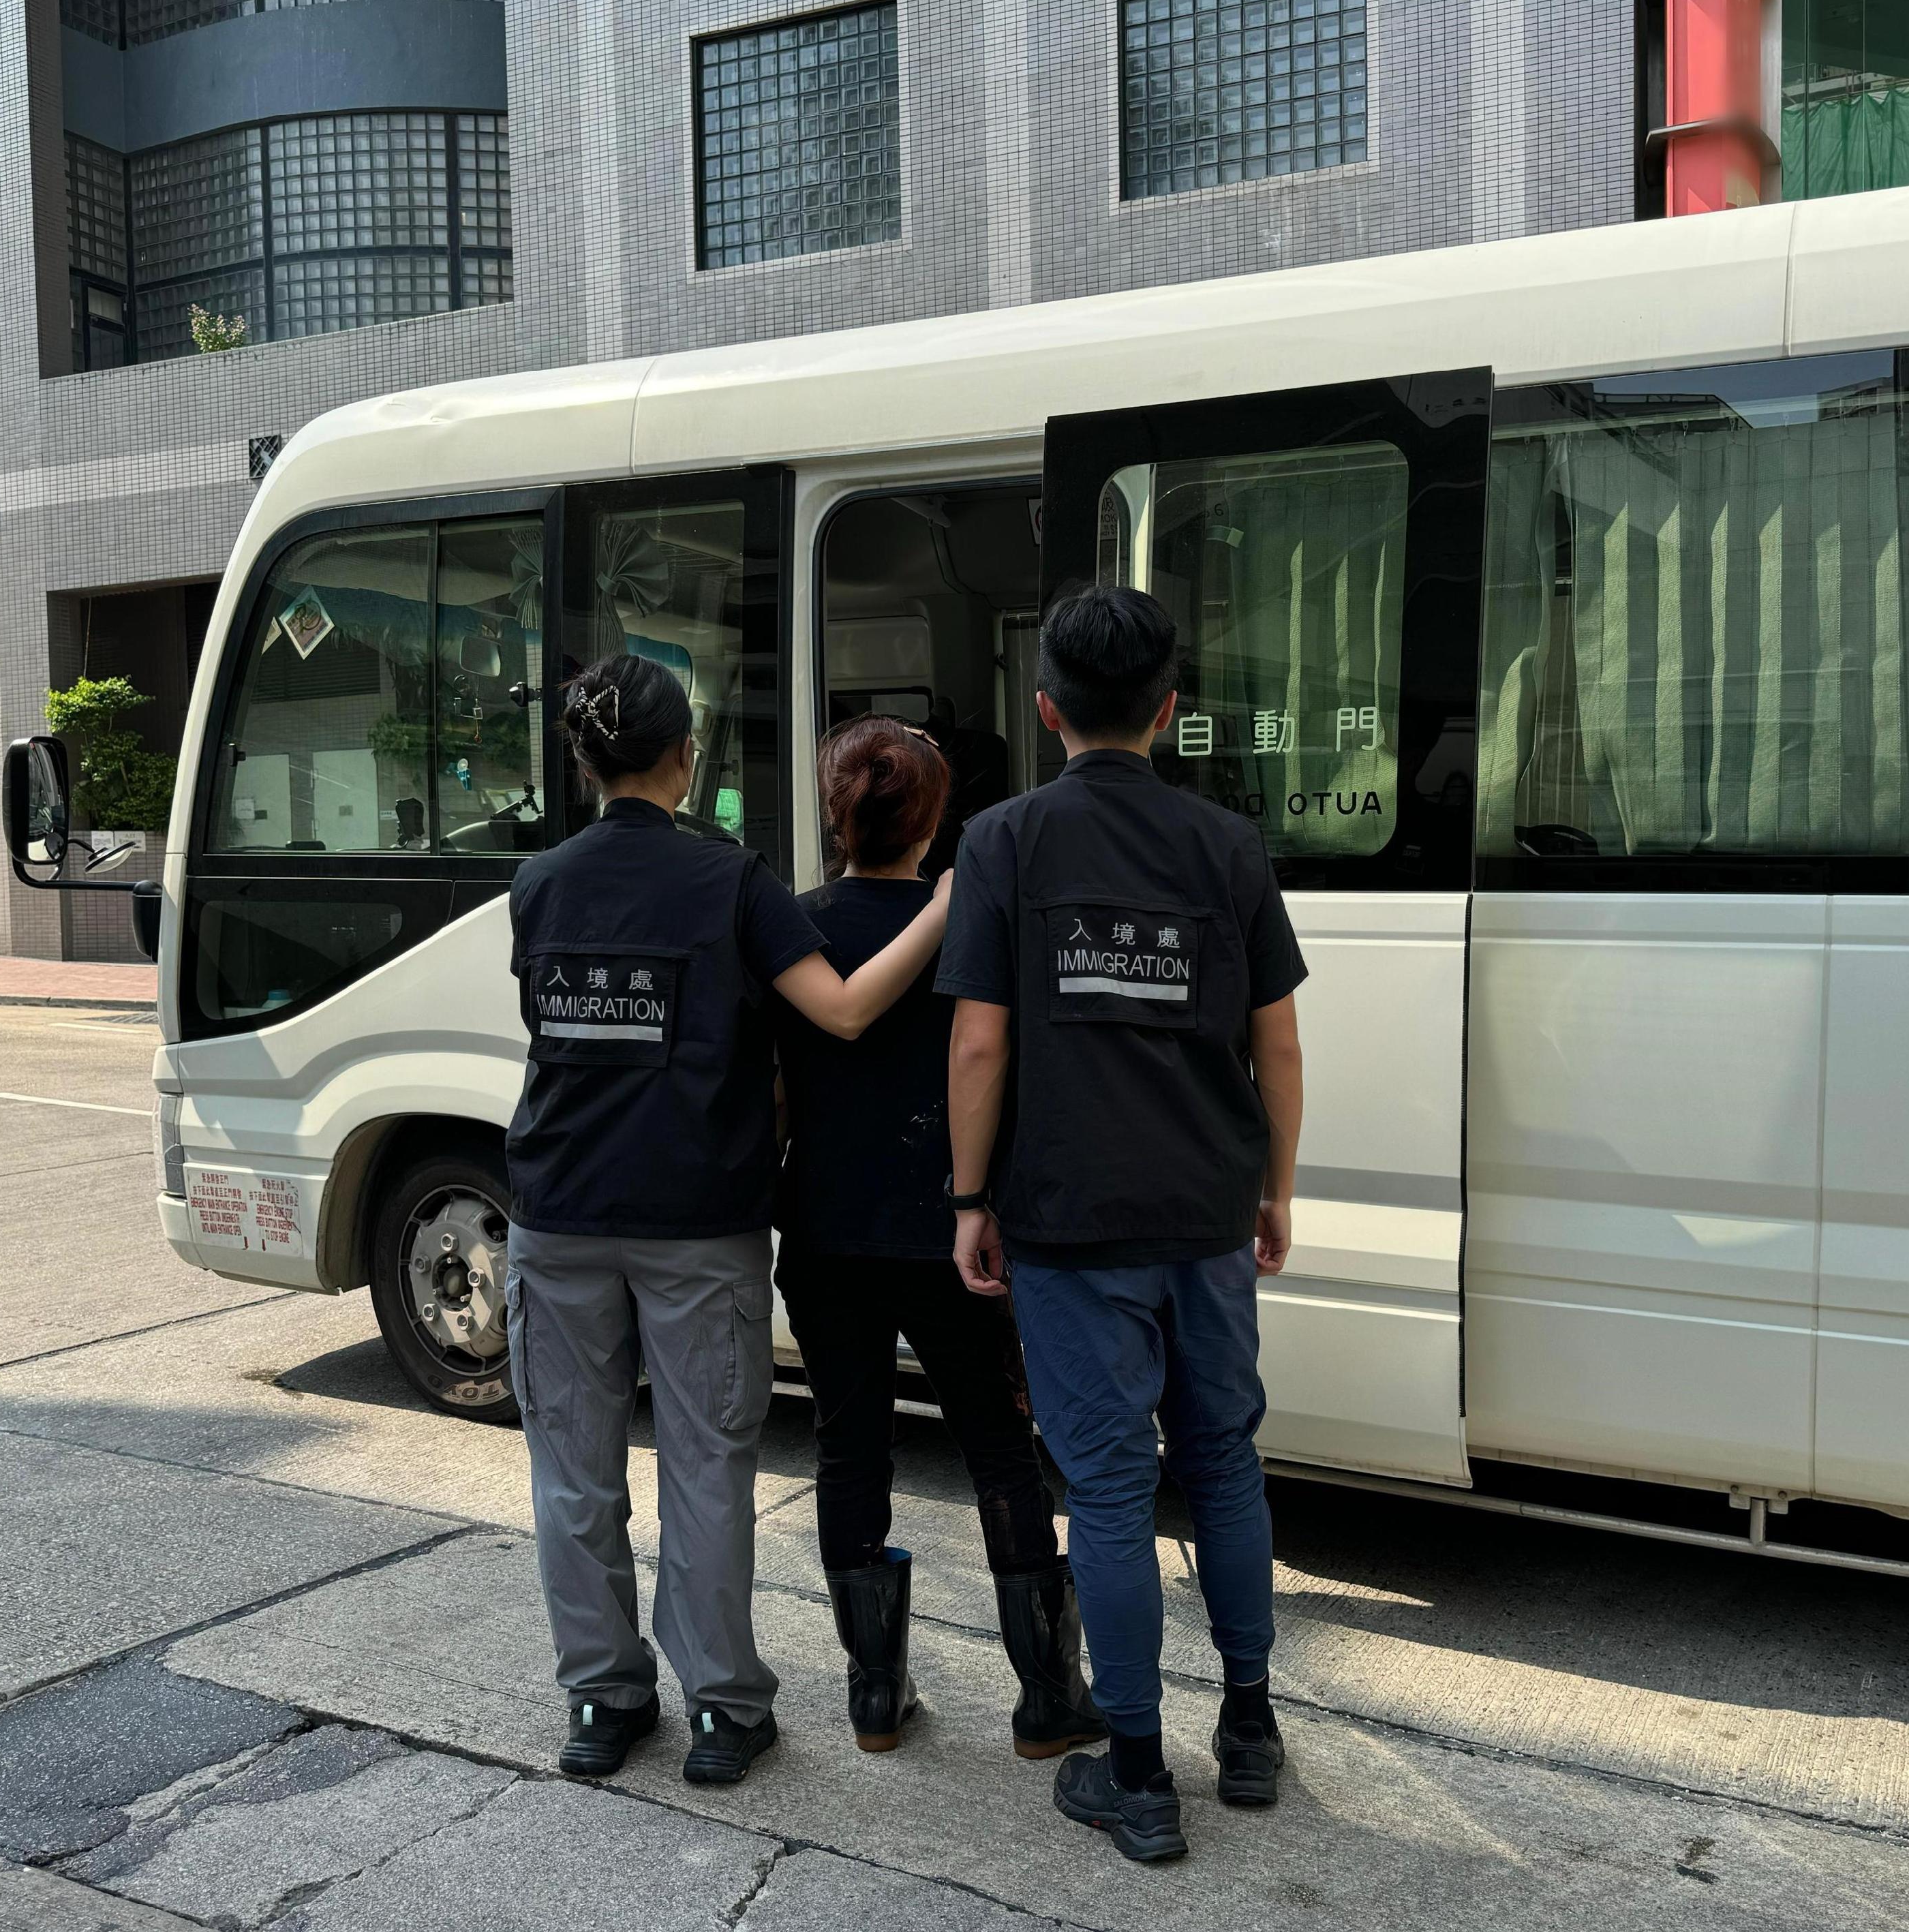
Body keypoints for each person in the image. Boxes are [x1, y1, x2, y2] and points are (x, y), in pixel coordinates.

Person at [505, 650, 950, 1787]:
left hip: (555, 1212)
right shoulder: (732, 881)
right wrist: (948, 903)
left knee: (571, 1469)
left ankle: (602, 1705)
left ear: (583, 761)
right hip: (697, 1221)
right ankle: (720, 1712)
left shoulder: (540, 882)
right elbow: (842, 1012)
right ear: (686, 757)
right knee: (705, 1466)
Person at [936, 583, 1308, 1865]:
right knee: (1225, 1464)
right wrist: (1276, 1189)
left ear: (1048, 712)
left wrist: (971, 1198)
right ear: (1170, 711)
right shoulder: (1229, 849)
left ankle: (1137, 1777)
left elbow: (979, 1040)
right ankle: (1250, 1730)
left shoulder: (1004, 841)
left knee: (1107, 1491)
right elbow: (1279, 1039)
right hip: (1207, 1209)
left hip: (1069, 1219)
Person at [773, 714, 1108, 1758]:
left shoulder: (791, 925)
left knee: (848, 1446)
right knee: (1003, 1451)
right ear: (932, 818)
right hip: (950, 1228)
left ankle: (875, 1696)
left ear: (837, 812)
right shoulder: (974, 918)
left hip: (824, 1230)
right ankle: (1049, 1700)